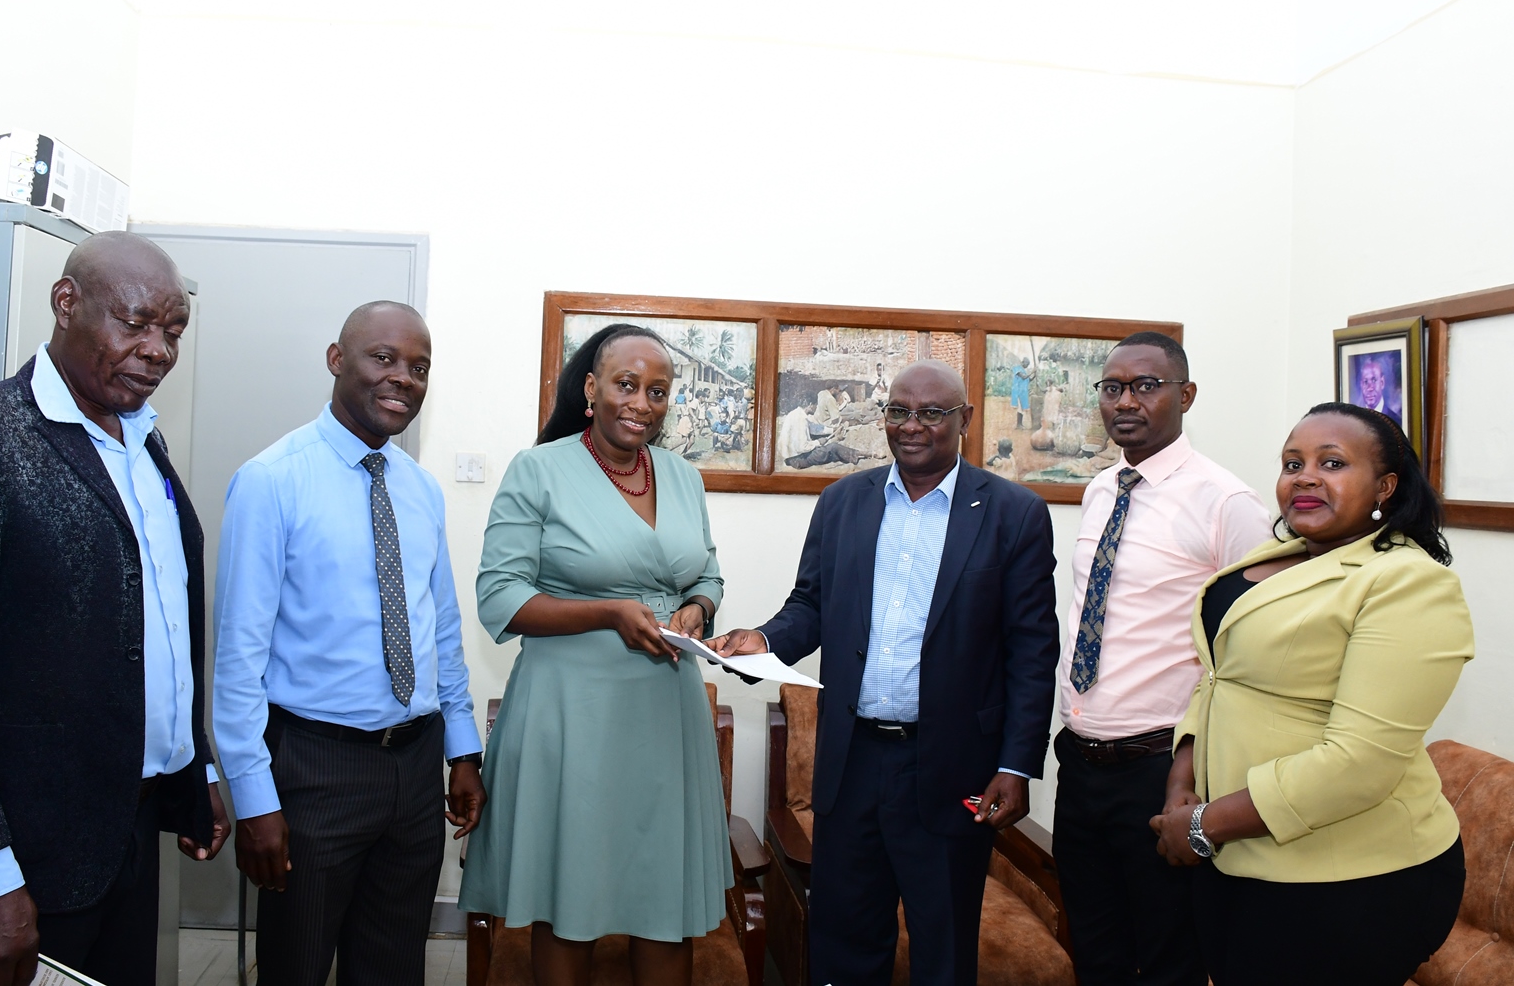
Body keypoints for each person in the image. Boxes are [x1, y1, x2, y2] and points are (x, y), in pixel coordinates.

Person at [0, 233, 230, 986]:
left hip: (125, 833)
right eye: (136, 323)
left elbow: (157, 629)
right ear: (66, 303)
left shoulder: (141, 444)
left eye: (174, 330)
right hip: (17, 862)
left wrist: (196, 767)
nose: (158, 350)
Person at [711, 360, 1059, 986]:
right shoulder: (844, 501)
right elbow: (811, 604)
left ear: (965, 420)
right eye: (899, 411)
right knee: (844, 942)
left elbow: (1032, 650)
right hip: (852, 764)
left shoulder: (1014, 513)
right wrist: (761, 640)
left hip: (953, 766)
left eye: (932, 413)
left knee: (942, 949)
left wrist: (1016, 764)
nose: (912, 426)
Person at [1151, 403, 1473, 986]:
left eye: (1332, 463)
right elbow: (1218, 677)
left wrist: (1203, 824)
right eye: (1292, 462)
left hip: (1347, 881)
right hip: (1234, 856)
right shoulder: (1277, 559)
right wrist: (1181, 783)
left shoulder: (1409, 581)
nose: (1304, 476)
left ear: (1386, 486)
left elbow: (1361, 761)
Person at [212, 301, 484, 986]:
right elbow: (238, 658)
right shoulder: (271, 480)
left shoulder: (420, 489)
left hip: (414, 768)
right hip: (312, 769)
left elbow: (440, 629)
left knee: (393, 968)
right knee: (296, 967)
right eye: (383, 358)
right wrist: (254, 798)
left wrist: (461, 749)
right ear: (337, 359)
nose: (403, 379)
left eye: (419, 367)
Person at [460, 323, 730, 986]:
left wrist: (697, 607)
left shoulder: (682, 475)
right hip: (569, 711)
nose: (641, 402)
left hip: (667, 712)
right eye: (627, 384)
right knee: (568, 898)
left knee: (666, 897)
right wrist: (608, 611)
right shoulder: (539, 468)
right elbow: (500, 598)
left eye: (658, 390)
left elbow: (708, 573)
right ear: (591, 389)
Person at [1053, 331, 1270, 986]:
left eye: (1146, 385)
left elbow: (1255, 644)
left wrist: (1198, 771)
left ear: (1185, 394)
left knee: (1171, 957)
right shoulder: (1100, 489)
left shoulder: (1226, 501)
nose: (1126, 401)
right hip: (1079, 762)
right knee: (1094, 951)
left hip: (1162, 769)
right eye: (1112, 387)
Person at [1356, 355, 1404, 424]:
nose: (1370, 388)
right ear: (1361, 384)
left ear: (1382, 382)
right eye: (1365, 382)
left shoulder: (1396, 422)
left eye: (1374, 380)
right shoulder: (1355, 421)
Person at [1011, 354, 1035, 429]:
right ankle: (1018, 424)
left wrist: (1034, 375)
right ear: (1023, 362)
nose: (1027, 366)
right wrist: (1032, 372)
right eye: (1026, 364)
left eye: (1028, 365)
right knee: (1020, 408)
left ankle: (1020, 424)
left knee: (1022, 409)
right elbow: (1024, 377)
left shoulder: (1023, 370)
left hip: (1023, 392)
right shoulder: (1017, 368)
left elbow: (1028, 380)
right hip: (1018, 392)